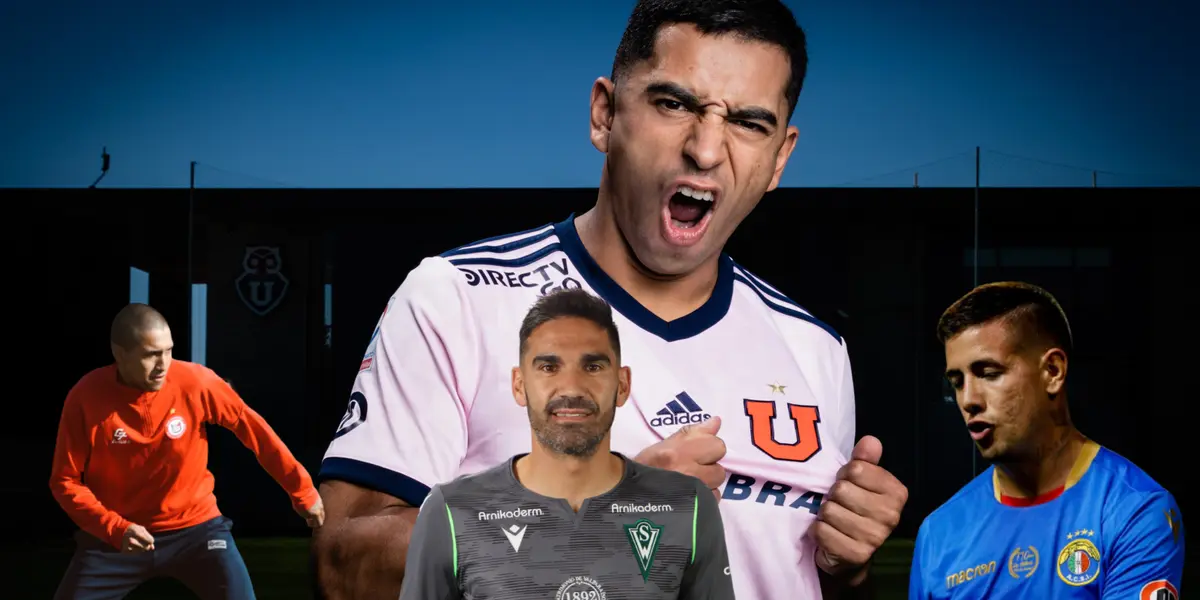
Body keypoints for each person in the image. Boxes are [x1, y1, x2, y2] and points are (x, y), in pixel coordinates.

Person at [313, 1, 908, 598]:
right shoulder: (458, 299)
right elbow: (342, 565)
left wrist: (845, 566)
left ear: (779, 158)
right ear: (605, 114)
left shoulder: (815, 348)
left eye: (749, 123)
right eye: (674, 104)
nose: (705, 150)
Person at [399, 289, 734, 600]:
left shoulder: (689, 507)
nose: (572, 388)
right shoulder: (451, 511)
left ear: (622, 385)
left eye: (593, 366)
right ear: (519, 385)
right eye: (549, 367)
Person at [909, 282, 1185, 599]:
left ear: (1053, 371)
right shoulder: (938, 534)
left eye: (988, 373)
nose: (968, 399)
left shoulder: (1135, 510)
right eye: (957, 382)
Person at [50, 303, 325, 600]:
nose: (163, 364)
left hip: (196, 530)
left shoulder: (195, 382)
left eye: (168, 351)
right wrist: (115, 529)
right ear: (119, 353)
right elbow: (64, 482)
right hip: (116, 539)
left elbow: (255, 431)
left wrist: (301, 489)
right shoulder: (86, 397)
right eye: (151, 355)